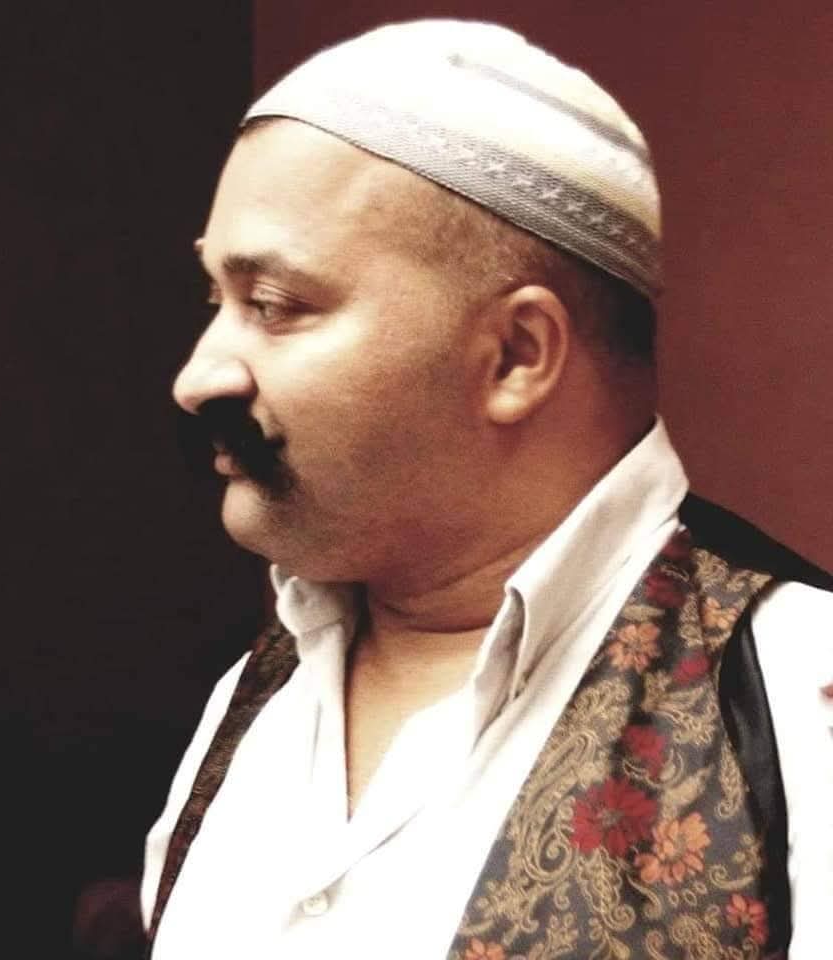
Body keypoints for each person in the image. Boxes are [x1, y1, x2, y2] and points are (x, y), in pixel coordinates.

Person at [141, 20, 833, 959]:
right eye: (215, 301)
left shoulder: (797, 700)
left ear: (515, 355)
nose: (199, 377)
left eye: (274, 305)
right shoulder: (257, 697)